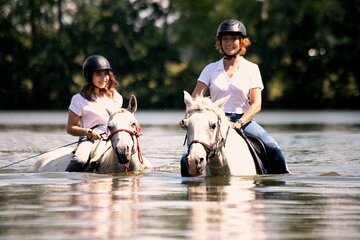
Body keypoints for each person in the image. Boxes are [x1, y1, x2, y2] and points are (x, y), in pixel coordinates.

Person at [187, 19, 289, 174]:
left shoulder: (252, 69)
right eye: (225, 39)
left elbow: (256, 104)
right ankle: (189, 188)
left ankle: (278, 186)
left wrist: (240, 123)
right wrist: (189, 120)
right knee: (185, 158)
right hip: (215, 122)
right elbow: (194, 99)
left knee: (273, 148)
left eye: (234, 39)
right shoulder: (210, 69)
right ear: (219, 42)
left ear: (242, 42)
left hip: (244, 121)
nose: (229, 43)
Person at [65, 55, 123, 172]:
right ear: (89, 76)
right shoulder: (78, 99)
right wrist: (89, 132)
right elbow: (70, 128)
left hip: (113, 139)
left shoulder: (116, 97)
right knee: (80, 160)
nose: (104, 78)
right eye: (98, 74)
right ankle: (68, 183)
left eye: (106, 74)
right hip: (90, 140)